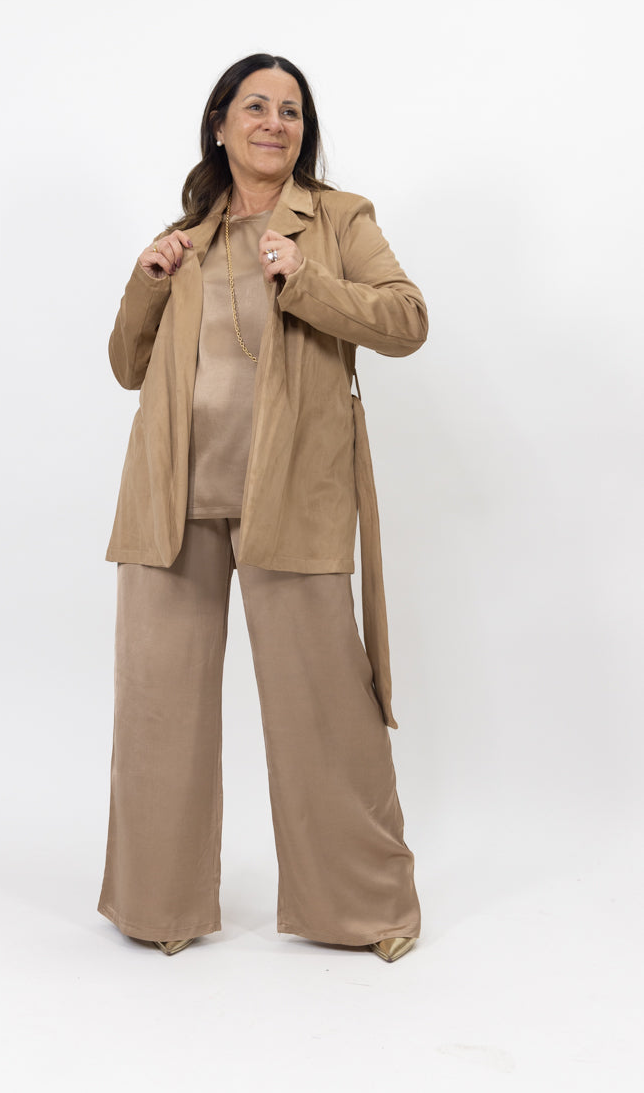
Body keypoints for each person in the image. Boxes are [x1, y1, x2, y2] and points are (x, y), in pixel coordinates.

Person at [97, 53, 428, 962]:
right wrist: (147, 277)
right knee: (158, 711)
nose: (274, 122)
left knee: (325, 712)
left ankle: (363, 911)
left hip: (293, 496)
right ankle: (156, 909)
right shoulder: (186, 236)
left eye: (290, 110)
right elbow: (126, 366)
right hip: (171, 500)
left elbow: (406, 320)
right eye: (255, 106)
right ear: (220, 124)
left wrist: (306, 279)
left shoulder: (338, 219)